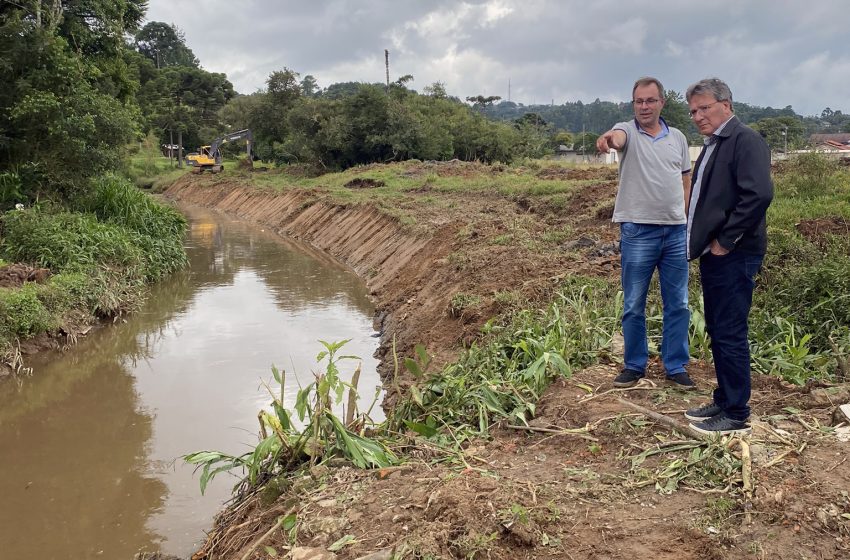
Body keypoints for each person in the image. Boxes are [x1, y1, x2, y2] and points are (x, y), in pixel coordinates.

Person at [683, 78, 774, 435]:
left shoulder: (745, 140)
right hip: (716, 253)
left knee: (731, 330)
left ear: (726, 104)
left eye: (704, 108)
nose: (698, 116)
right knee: (719, 328)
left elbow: (758, 195)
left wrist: (727, 239)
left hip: (734, 253)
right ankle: (724, 399)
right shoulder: (714, 144)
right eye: (693, 111)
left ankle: (736, 413)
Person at [596, 77, 693, 390]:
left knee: (677, 302)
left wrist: (685, 212)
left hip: (676, 231)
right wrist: (608, 139)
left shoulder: (677, 137)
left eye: (651, 101)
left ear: (662, 102)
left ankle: (675, 365)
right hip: (638, 231)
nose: (645, 107)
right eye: (639, 101)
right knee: (634, 302)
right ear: (632, 104)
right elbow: (617, 138)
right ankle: (634, 365)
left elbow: (685, 178)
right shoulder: (628, 130)